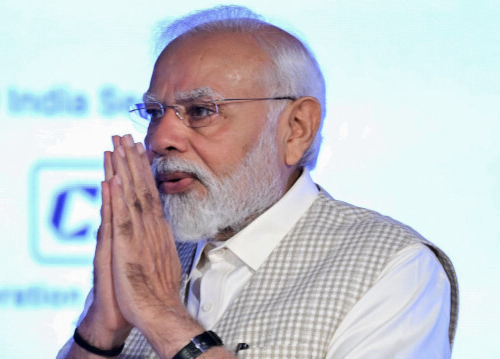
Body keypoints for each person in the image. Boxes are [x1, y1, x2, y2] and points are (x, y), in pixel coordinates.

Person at [58, 5, 458, 359]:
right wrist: (100, 333)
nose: (161, 138)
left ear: (296, 128)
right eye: (153, 112)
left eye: (200, 110)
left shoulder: (392, 266)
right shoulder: (145, 253)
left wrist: (163, 316)